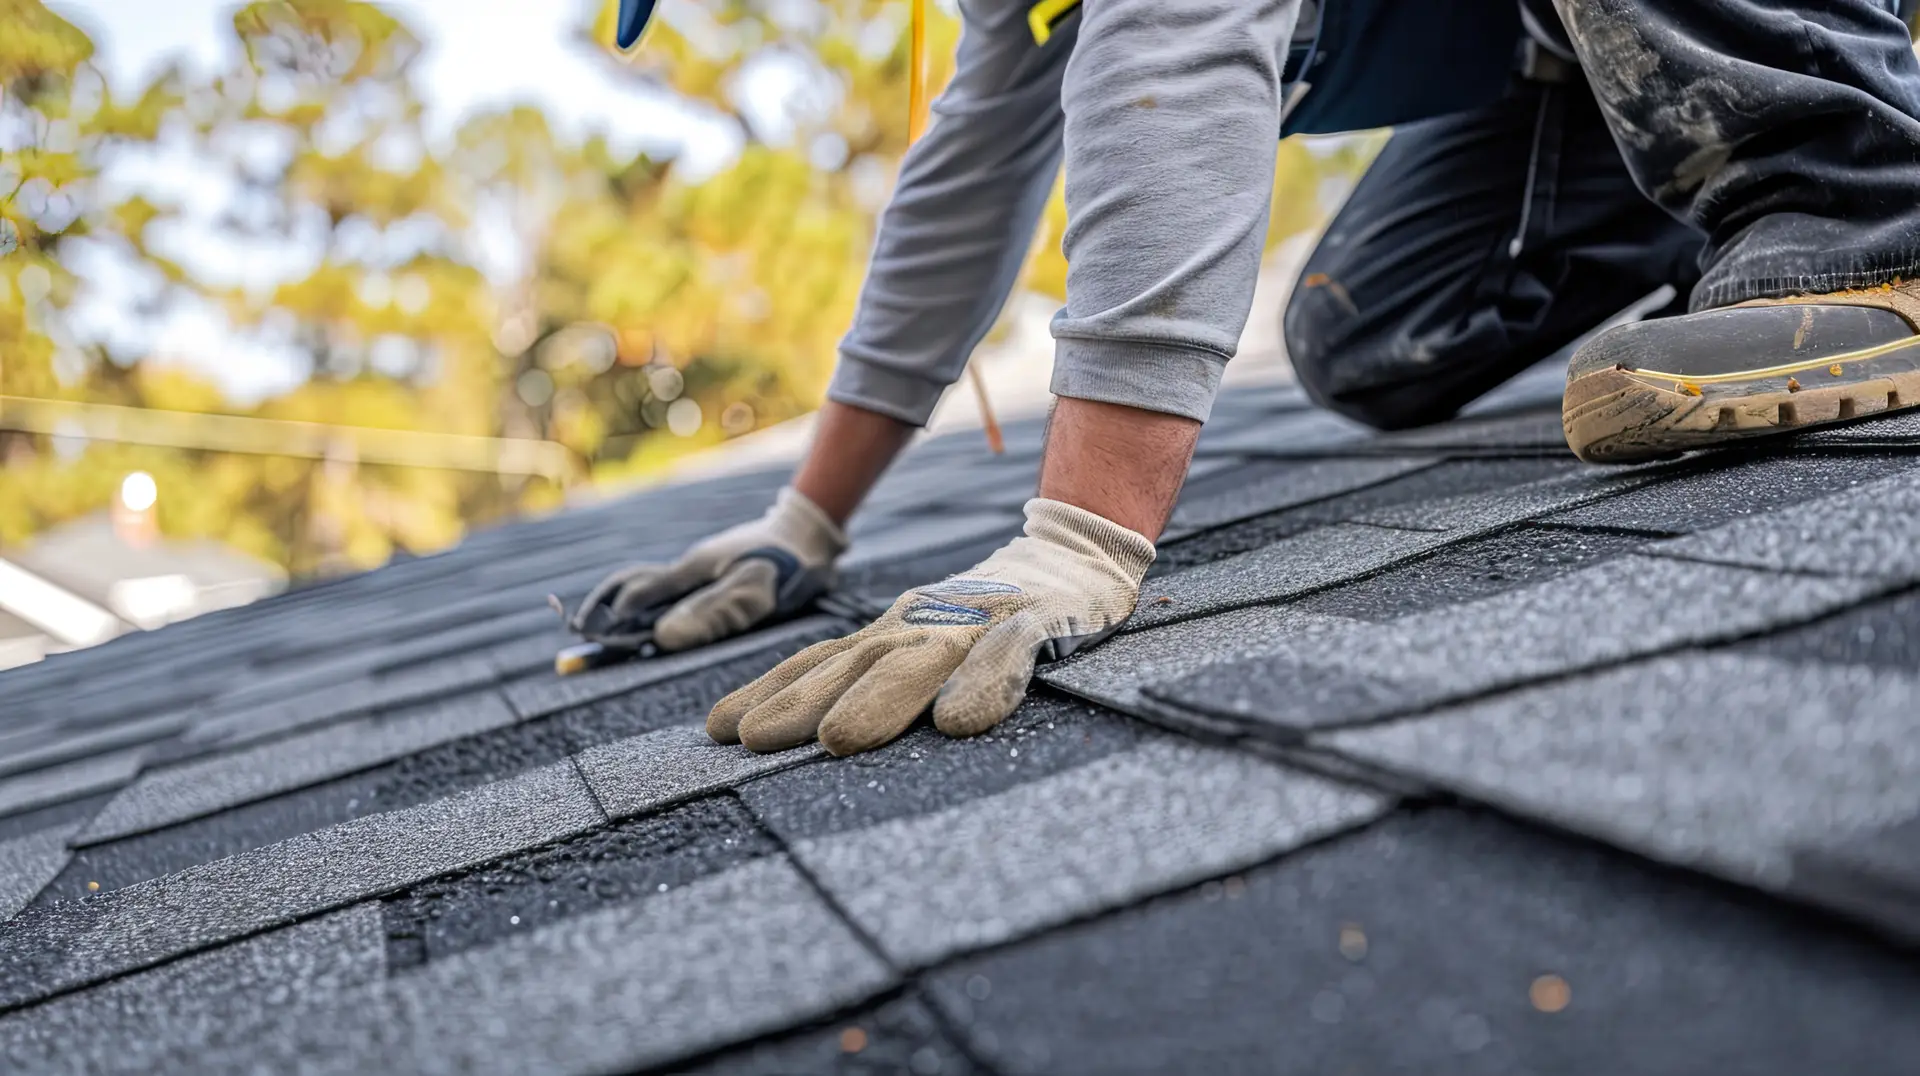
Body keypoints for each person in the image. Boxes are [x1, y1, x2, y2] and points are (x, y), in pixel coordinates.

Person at [572, 0, 1920, 758]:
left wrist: (1080, 537)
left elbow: (1180, 21)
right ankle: (1706, 181)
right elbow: (970, 172)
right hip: (1569, 51)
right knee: (1372, 336)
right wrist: (807, 516)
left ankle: (1866, 201)